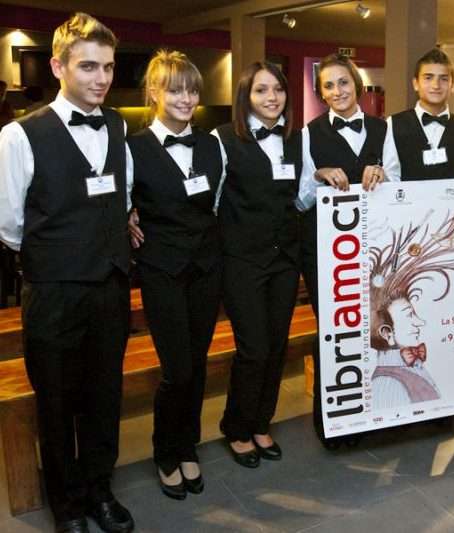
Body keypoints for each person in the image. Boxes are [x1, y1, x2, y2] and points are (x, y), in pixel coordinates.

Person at [0, 13, 134, 533]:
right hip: (54, 292)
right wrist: (62, 253)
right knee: (56, 404)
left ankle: (101, 491)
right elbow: (10, 224)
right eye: (88, 67)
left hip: (111, 287)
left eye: (108, 67)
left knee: (105, 398)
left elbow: (121, 193)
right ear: (58, 67)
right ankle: (68, 506)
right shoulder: (19, 135)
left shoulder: (118, 124)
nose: (101, 78)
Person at [127, 50, 223, 500]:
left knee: (198, 363)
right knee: (177, 369)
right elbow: (117, 199)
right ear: (154, 92)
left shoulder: (212, 144)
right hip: (161, 270)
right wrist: (125, 214)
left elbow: (218, 203)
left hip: (206, 268)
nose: (185, 98)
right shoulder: (132, 149)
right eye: (175, 89)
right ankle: (165, 451)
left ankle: (188, 446)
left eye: (192, 90)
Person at [213, 61, 301, 467]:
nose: (272, 97)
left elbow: (300, 197)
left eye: (278, 89)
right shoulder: (222, 139)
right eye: (262, 90)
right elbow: (212, 202)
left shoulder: (295, 139)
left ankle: (261, 423)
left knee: (277, 345)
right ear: (245, 96)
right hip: (242, 261)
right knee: (253, 348)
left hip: (284, 259)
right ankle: (236, 427)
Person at [298, 53, 388, 449]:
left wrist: (385, 176)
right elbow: (300, 200)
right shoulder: (309, 134)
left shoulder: (384, 129)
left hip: (376, 251)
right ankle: (332, 424)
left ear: (357, 85)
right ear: (321, 93)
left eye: (344, 82)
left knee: (374, 331)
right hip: (327, 256)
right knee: (334, 335)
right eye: (329, 86)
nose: (338, 91)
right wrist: (317, 176)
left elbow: (401, 185)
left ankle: (374, 413)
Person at [369, 210, 454, 409]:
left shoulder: (412, 366)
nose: (419, 322)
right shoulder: (387, 384)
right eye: (409, 315)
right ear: (387, 333)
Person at [383, 48, 454, 181]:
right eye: (428, 78)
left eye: (443, 79)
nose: (436, 85)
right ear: (416, 84)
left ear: (452, 85)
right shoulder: (394, 123)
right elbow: (391, 176)